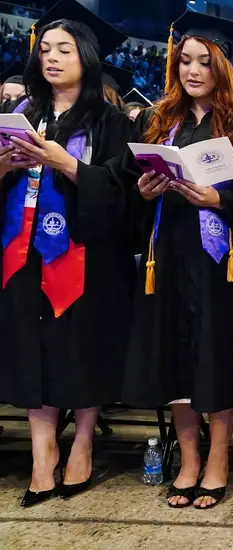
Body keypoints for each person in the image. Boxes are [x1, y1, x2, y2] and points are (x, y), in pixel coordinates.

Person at [117, 11, 233, 510]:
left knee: (218, 354)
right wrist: (143, 191)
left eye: (204, 61)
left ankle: (219, 458)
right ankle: (190, 458)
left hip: (224, 263)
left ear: (223, 67)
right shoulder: (160, 123)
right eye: (185, 61)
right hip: (168, 255)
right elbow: (129, 196)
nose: (192, 70)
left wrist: (220, 200)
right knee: (176, 354)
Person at [0, 1, 131, 507]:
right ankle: (42, 457)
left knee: (82, 350)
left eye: (65, 50)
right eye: (45, 50)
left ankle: (82, 443)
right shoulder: (21, 115)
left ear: (87, 57)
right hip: (23, 254)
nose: (52, 58)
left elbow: (122, 193)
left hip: (87, 256)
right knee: (33, 350)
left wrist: (67, 164)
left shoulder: (110, 122)